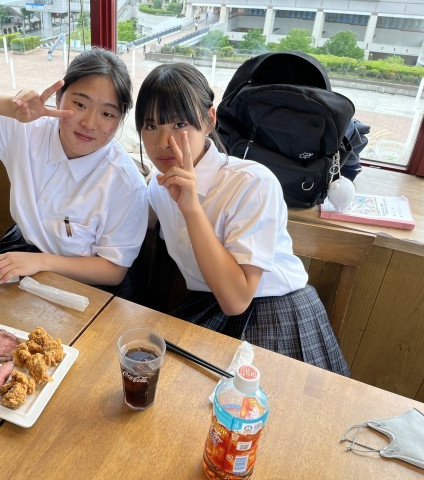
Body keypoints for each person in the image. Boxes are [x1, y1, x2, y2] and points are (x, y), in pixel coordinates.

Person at [134, 63, 349, 376]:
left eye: (179, 123)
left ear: (209, 120)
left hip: (276, 308)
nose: (164, 141)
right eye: (151, 126)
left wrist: (191, 208)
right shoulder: (158, 187)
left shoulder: (252, 183)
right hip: (208, 304)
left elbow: (237, 299)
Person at [0, 48, 148, 298]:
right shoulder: (26, 128)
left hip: (89, 280)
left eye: (107, 114)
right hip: (25, 250)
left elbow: (113, 270)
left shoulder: (125, 183)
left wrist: (42, 262)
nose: (89, 123)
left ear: (120, 119)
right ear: (59, 98)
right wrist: (7, 106)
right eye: (80, 104)